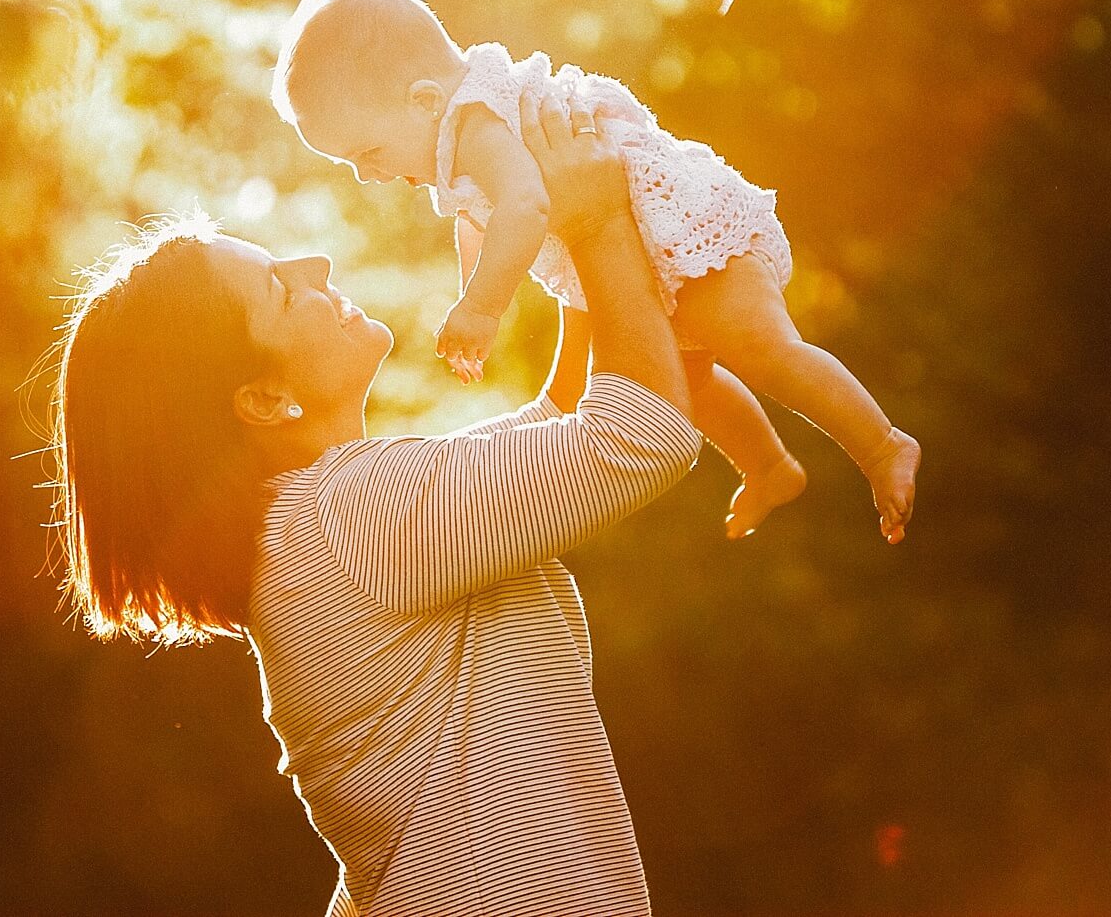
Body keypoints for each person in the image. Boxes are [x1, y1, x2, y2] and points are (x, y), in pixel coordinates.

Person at [51, 94, 705, 916]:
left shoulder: (310, 531)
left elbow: (554, 429)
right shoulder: (350, 514)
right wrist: (606, 218)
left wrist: (569, 244)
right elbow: (640, 434)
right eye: (282, 292)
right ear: (263, 397)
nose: (316, 267)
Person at [270, 0, 919, 542]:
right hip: (640, 242)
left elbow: (523, 206)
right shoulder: (453, 149)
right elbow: (479, 224)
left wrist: (482, 307)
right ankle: (769, 467)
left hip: (675, 216)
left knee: (757, 342)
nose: (370, 175)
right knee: (686, 382)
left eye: (369, 152)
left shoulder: (476, 122)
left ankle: (883, 443)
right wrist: (470, 289)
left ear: (421, 100)